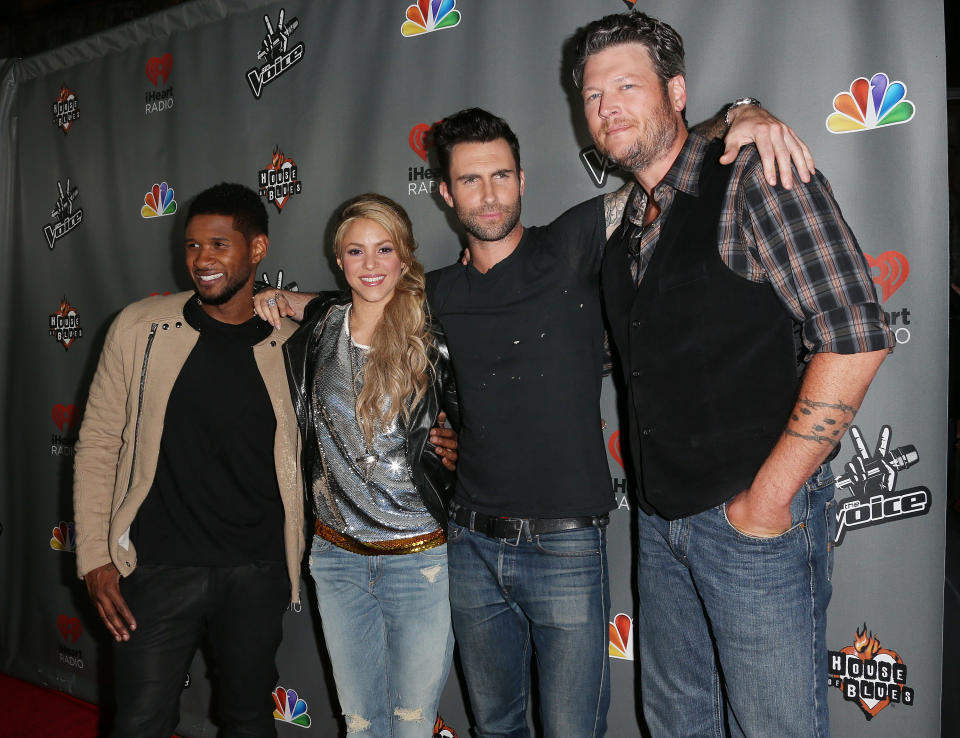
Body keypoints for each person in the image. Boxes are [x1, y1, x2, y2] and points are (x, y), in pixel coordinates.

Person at [259, 103, 813, 737]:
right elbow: (359, 298)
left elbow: (661, 163)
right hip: (469, 544)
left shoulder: (572, 244)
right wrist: (282, 299)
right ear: (446, 193)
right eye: (470, 180)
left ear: (522, 180)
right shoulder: (434, 295)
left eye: (500, 176)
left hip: (567, 544)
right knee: (496, 728)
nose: (488, 195)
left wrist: (740, 114)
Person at [573, 10, 893, 737]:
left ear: (676, 91)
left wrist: (769, 500)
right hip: (662, 527)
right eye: (593, 96)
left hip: (755, 523)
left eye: (627, 85)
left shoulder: (757, 175)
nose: (608, 107)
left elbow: (856, 336)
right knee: (679, 723)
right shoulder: (627, 225)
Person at [73, 183, 304, 737]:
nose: (203, 259)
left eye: (220, 244)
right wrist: (93, 557)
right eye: (193, 245)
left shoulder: (294, 341)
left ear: (257, 249)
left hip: (256, 568)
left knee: (248, 720)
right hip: (156, 568)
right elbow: (100, 441)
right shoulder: (139, 328)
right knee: (141, 722)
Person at [255, 193, 459, 738]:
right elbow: (309, 304)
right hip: (337, 562)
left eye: (384, 249)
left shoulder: (433, 333)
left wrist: (463, 444)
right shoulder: (323, 325)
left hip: (418, 561)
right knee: (363, 725)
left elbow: (478, 411)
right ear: (339, 259)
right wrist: (275, 295)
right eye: (355, 252)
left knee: (413, 727)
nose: (371, 265)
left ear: (405, 255)